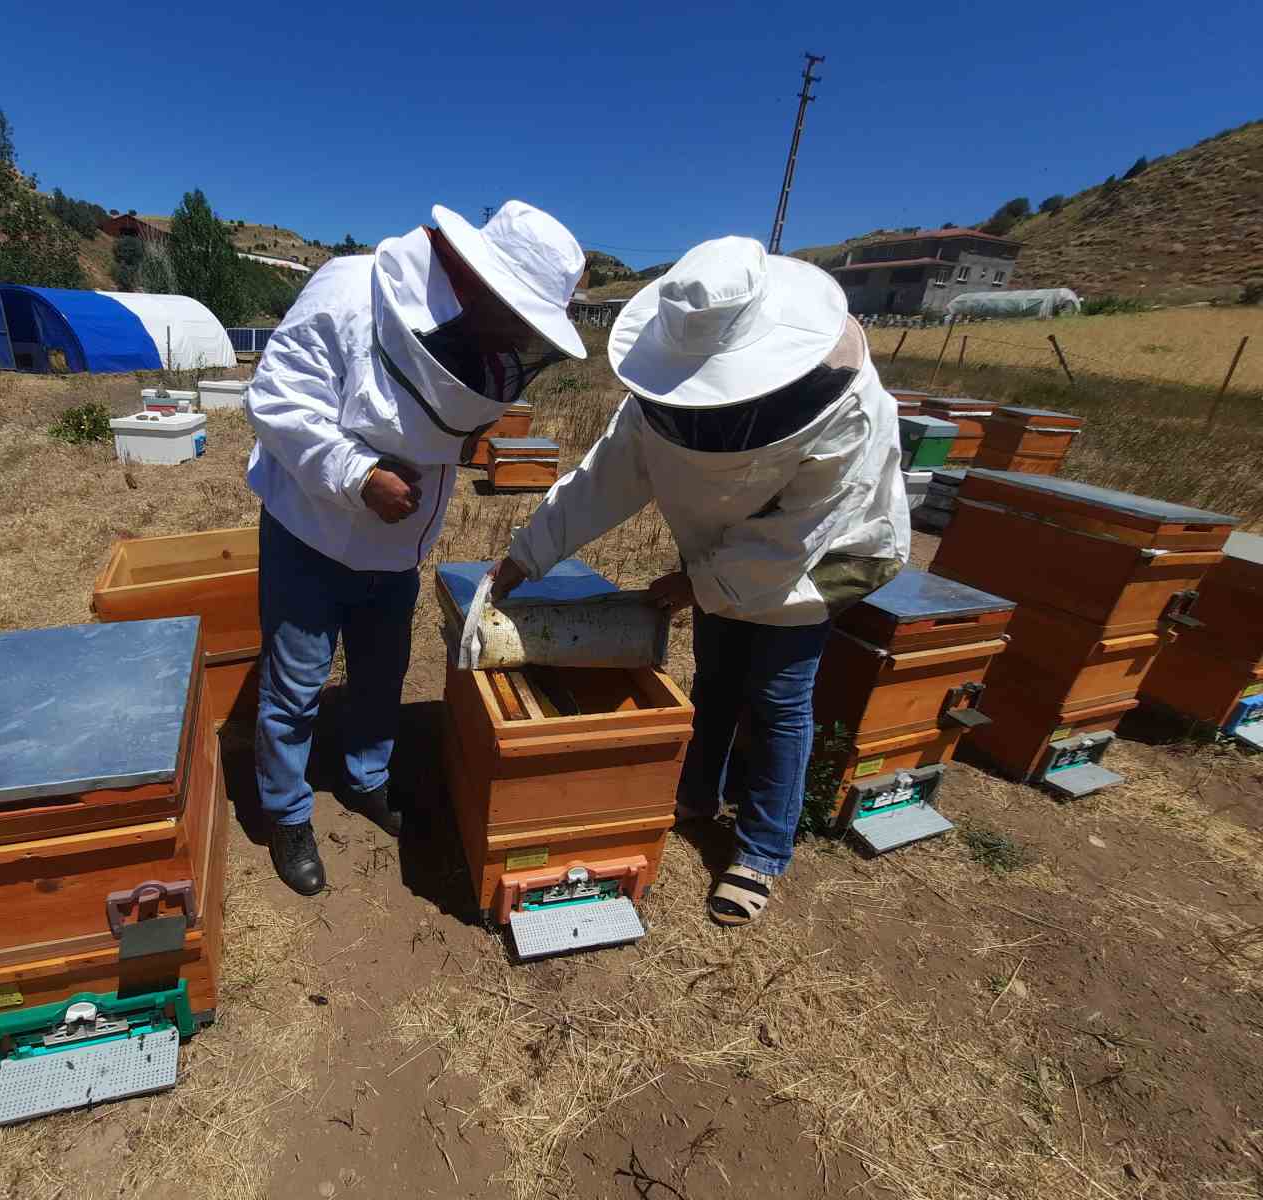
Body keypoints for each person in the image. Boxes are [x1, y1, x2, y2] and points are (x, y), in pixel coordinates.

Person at [491, 236, 909, 927]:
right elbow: (601, 481)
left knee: (778, 694)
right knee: (715, 676)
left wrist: (697, 583)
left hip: (825, 552)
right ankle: (696, 794)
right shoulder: (664, 397)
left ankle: (762, 850)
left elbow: (789, 542)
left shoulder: (843, 407)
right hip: (727, 548)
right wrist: (525, 555)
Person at [245, 201, 588, 896]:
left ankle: (366, 777)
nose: (518, 339)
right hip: (309, 534)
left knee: (381, 674)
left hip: (396, 554)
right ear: (483, 283)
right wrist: (359, 476)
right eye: (518, 318)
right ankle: (285, 813)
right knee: (295, 683)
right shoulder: (347, 291)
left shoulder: (477, 342)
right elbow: (276, 401)